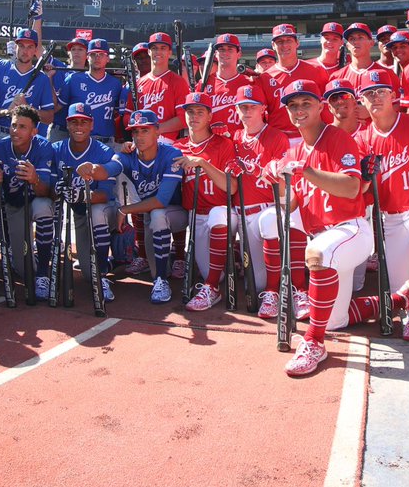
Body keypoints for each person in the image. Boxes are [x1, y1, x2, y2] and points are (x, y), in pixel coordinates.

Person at [265, 79, 372, 377]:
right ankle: (399, 299)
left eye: (306, 103)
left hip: (351, 230)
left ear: (320, 106)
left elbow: (352, 189)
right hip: (324, 236)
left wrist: (306, 171)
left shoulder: (338, 138)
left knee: (318, 252)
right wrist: (278, 182)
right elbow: (293, 206)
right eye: (293, 105)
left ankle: (314, 343)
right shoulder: (294, 151)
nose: (299, 110)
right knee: (334, 319)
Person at [354, 70, 409, 340]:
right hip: (390, 218)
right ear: (362, 102)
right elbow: (364, 196)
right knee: (397, 286)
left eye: (381, 91)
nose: (375, 97)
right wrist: (366, 180)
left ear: (394, 95)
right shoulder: (361, 140)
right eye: (369, 93)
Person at [89, 110, 186, 304]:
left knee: (158, 213)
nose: (139, 136)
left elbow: (161, 201)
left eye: (145, 130)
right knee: (99, 211)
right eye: (135, 132)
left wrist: (124, 210)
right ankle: (101, 277)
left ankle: (161, 280)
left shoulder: (172, 154)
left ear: (157, 131)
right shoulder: (128, 155)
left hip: (176, 213)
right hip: (149, 215)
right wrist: (92, 169)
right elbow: (109, 169)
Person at [228, 84, 291, 316]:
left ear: (263, 108)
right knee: (254, 285)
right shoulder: (232, 138)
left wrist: (263, 170)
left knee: (270, 221)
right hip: (241, 212)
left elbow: (282, 182)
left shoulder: (277, 137)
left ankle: (274, 292)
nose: (247, 112)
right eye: (242, 107)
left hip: (267, 210)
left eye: (252, 107)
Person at [52, 103, 122, 303]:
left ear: (92, 125)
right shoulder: (57, 149)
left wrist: (82, 195)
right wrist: (54, 189)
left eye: (84, 122)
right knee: (85, 270)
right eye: (74, 122)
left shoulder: (103, 151)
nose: (79, 126)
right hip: (75, 210)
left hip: (98, 209)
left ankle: (103, 274)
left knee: (98, 211)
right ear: (68, 124)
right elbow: (47, 186)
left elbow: (105, 194)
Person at [175, 92, 239, 311]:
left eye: (200, 112)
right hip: (196, 216)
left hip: (223, 212)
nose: (194, 116)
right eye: (190, 112)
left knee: (217, 214)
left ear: (210, 116)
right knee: (215, 273)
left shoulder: (224, 144)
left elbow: (231, 187)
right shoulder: (177, 147)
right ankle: (231, 256)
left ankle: (211, 288)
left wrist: (203, 163)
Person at [0, 104, 56, 300]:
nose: (15, 131)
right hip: (12, 205)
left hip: (34, 201)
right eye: (13, 125)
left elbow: (47, 192)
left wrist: (34, 178)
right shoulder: (0, 147)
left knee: (44, 207)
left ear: (34, 131)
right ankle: (13, 251)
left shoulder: (43, 147)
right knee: (23, 270)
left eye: (22, 127)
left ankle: (44, 273)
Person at [256, 23, 330, 143]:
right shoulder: (265, 78)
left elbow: (326, 106)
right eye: (279, 41)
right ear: (273, 45)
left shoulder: (316, 70)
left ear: (297, 43)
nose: (284, 45)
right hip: (279, 138)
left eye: (289, 40)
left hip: (313, 136)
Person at [0, 27, 55, 141]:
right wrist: (5, 111)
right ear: (15, 47)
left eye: (30, 47)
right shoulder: (0, 71)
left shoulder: (42, 78)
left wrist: (27, 108)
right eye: (22, 46)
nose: (25, 51)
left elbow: (49, 117)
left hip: (25, 136)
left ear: (35, 50)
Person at [133, 31, 190, 139]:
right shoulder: (138, 83)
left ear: (169, 52)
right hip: (140, 140)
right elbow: (127, 115)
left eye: (163, 48)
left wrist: (155, 129)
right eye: (154, 48)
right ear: (149, 51)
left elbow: (184, 118)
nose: (158, 51)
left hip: (166, 141)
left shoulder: (178, 82)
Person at [66, 39, 123, 146]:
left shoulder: (116, 84)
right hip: (80, 141)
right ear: (87, 57)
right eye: (93, 54)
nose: (97, 57)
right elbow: (60, 108)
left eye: (101, 54)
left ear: (107, 58)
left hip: (107, 141)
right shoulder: (73, 80)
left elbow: (119, 114)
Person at [199, 33, 252, 135]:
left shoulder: (248, 84)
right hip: (211, 141)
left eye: (230, 49)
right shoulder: (204, 83)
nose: (225, 53)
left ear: (239, 54)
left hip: (239, 142)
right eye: (222, 49)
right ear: (216, 54)